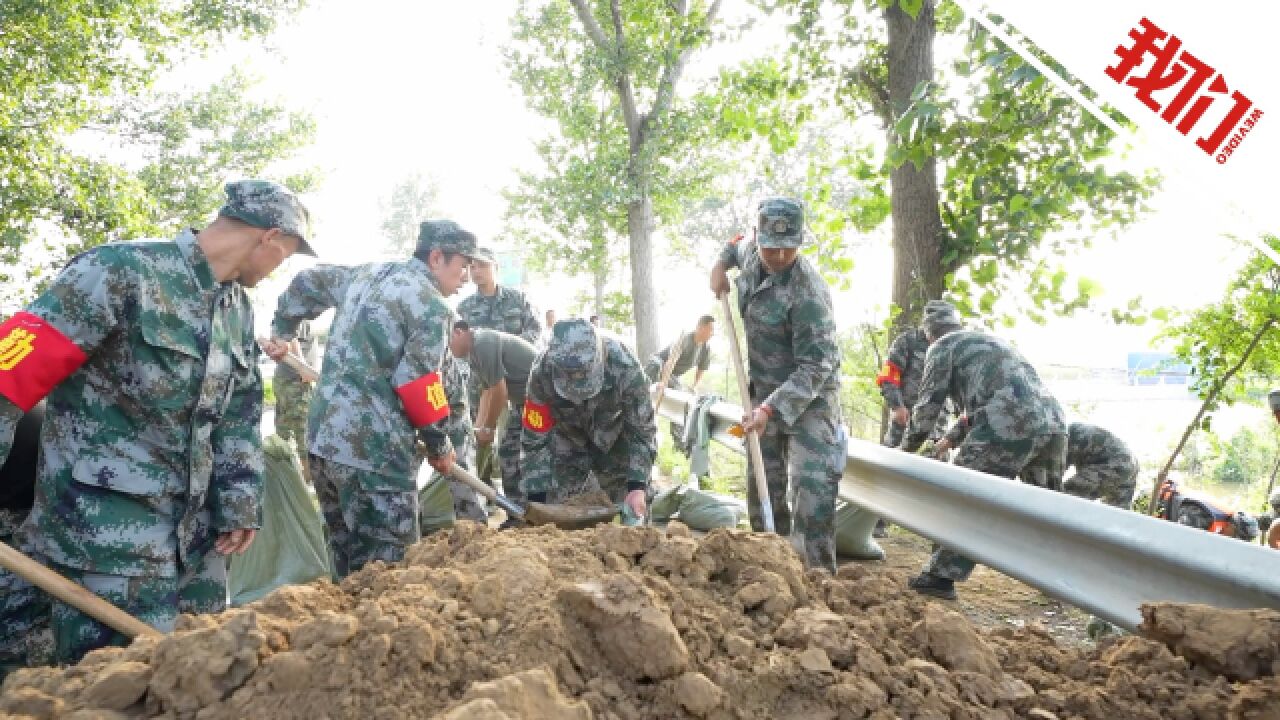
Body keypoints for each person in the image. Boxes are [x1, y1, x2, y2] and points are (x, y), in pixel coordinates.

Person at [0, 179, 311, 664]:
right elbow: (10, 374)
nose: (280, 268)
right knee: (116, 681)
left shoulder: (236, 307)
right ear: (269, 235)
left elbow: (240, 414)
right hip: (106, 536)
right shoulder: (120, 271)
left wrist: (238, 502)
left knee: (198, 670)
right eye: (287, 253)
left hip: (198, 539)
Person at [264, 219, 476, 578]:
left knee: (347, 566)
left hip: (323, 443)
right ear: (437, 257)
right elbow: (420, 384)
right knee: (388, 576)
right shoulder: (432, 307)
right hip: (373, 455)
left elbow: (308, 282)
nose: (467, 277)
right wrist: (440, 444)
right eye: (464, 265)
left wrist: (283, 329)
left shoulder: (368, 275)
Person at [709, 197, 844, 573]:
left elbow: (817, 365)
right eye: (771, 246)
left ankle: (817, 579)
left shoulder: (809, 294)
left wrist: (771, 409)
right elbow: (731, 248)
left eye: (789, 247)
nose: (780, 255)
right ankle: (767, 567)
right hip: (764, 389)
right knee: (761, 480)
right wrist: (719, 267)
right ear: (758, 237)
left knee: (811, 489)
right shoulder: (750, 252)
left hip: (810, 397)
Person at [902, 300, 1067, 600]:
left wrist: (904, 451)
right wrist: (949, 439)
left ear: (929, 334)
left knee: (967, 495)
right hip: (1054, 423)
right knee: (1048, 508)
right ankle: (1059, 579)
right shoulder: (987, 342)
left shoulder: (941, 348)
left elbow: (927, 410)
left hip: (1007, 423)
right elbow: (986, 404)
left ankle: (940, 577)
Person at [520, 319, 653, 517]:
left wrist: (637, 486)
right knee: (562, 514)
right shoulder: (541, 372)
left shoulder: (625, 366)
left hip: (615, 437)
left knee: (632, 512)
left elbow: (642, 431)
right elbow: (535, 439)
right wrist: (536, 501)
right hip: (568, 439)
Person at [458, 246, 541, 484]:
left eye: (482, 265)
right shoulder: (464, 308)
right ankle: (481, 496)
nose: (476, 271)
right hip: (481, 386)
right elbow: (461, 350)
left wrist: (507, 358)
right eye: (472, 266)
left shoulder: (519, 300)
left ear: (496, 267)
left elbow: (534, 335)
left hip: (516, 384)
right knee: (479, 440)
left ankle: (519, 499)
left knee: (514, 445)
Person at [449, 322, 537, 506]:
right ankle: (517, 511)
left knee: (532, 455)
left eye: (448, 342)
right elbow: (486, 391)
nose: (447, 349)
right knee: (507, 451)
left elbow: (500, 392)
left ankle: (538, 507)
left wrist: (488, 428)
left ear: (459, 332)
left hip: (540, 402)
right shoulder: (474, 351)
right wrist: (479, 429)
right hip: (524, 404)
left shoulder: (483, 343)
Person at [273, 319, 318, 481]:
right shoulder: (301, 315)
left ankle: (282, 477)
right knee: (302, 432)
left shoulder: (295, 316)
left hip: (288, 381)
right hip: (295, 382)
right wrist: (303, 367)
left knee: (284, 430)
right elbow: (292, 339)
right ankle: (305, 479)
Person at [1063, 422, 1138, 509]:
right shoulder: (1074, 429)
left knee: (1063, 498)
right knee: (1118, 515)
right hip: (1130, 464)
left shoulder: (1065, 434)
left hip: (1115, 463)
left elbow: (1057, 469)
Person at [645, 315, 715, 392]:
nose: (712, 333)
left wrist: (694, 386)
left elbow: (701, 369)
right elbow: (671, 361)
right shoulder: (683, 339)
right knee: (655, 366)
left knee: (678, 389)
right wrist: (663, 382)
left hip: (672, 375)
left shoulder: (706, 349)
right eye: (711, 329)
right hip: (661, 365)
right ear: (700, 328)